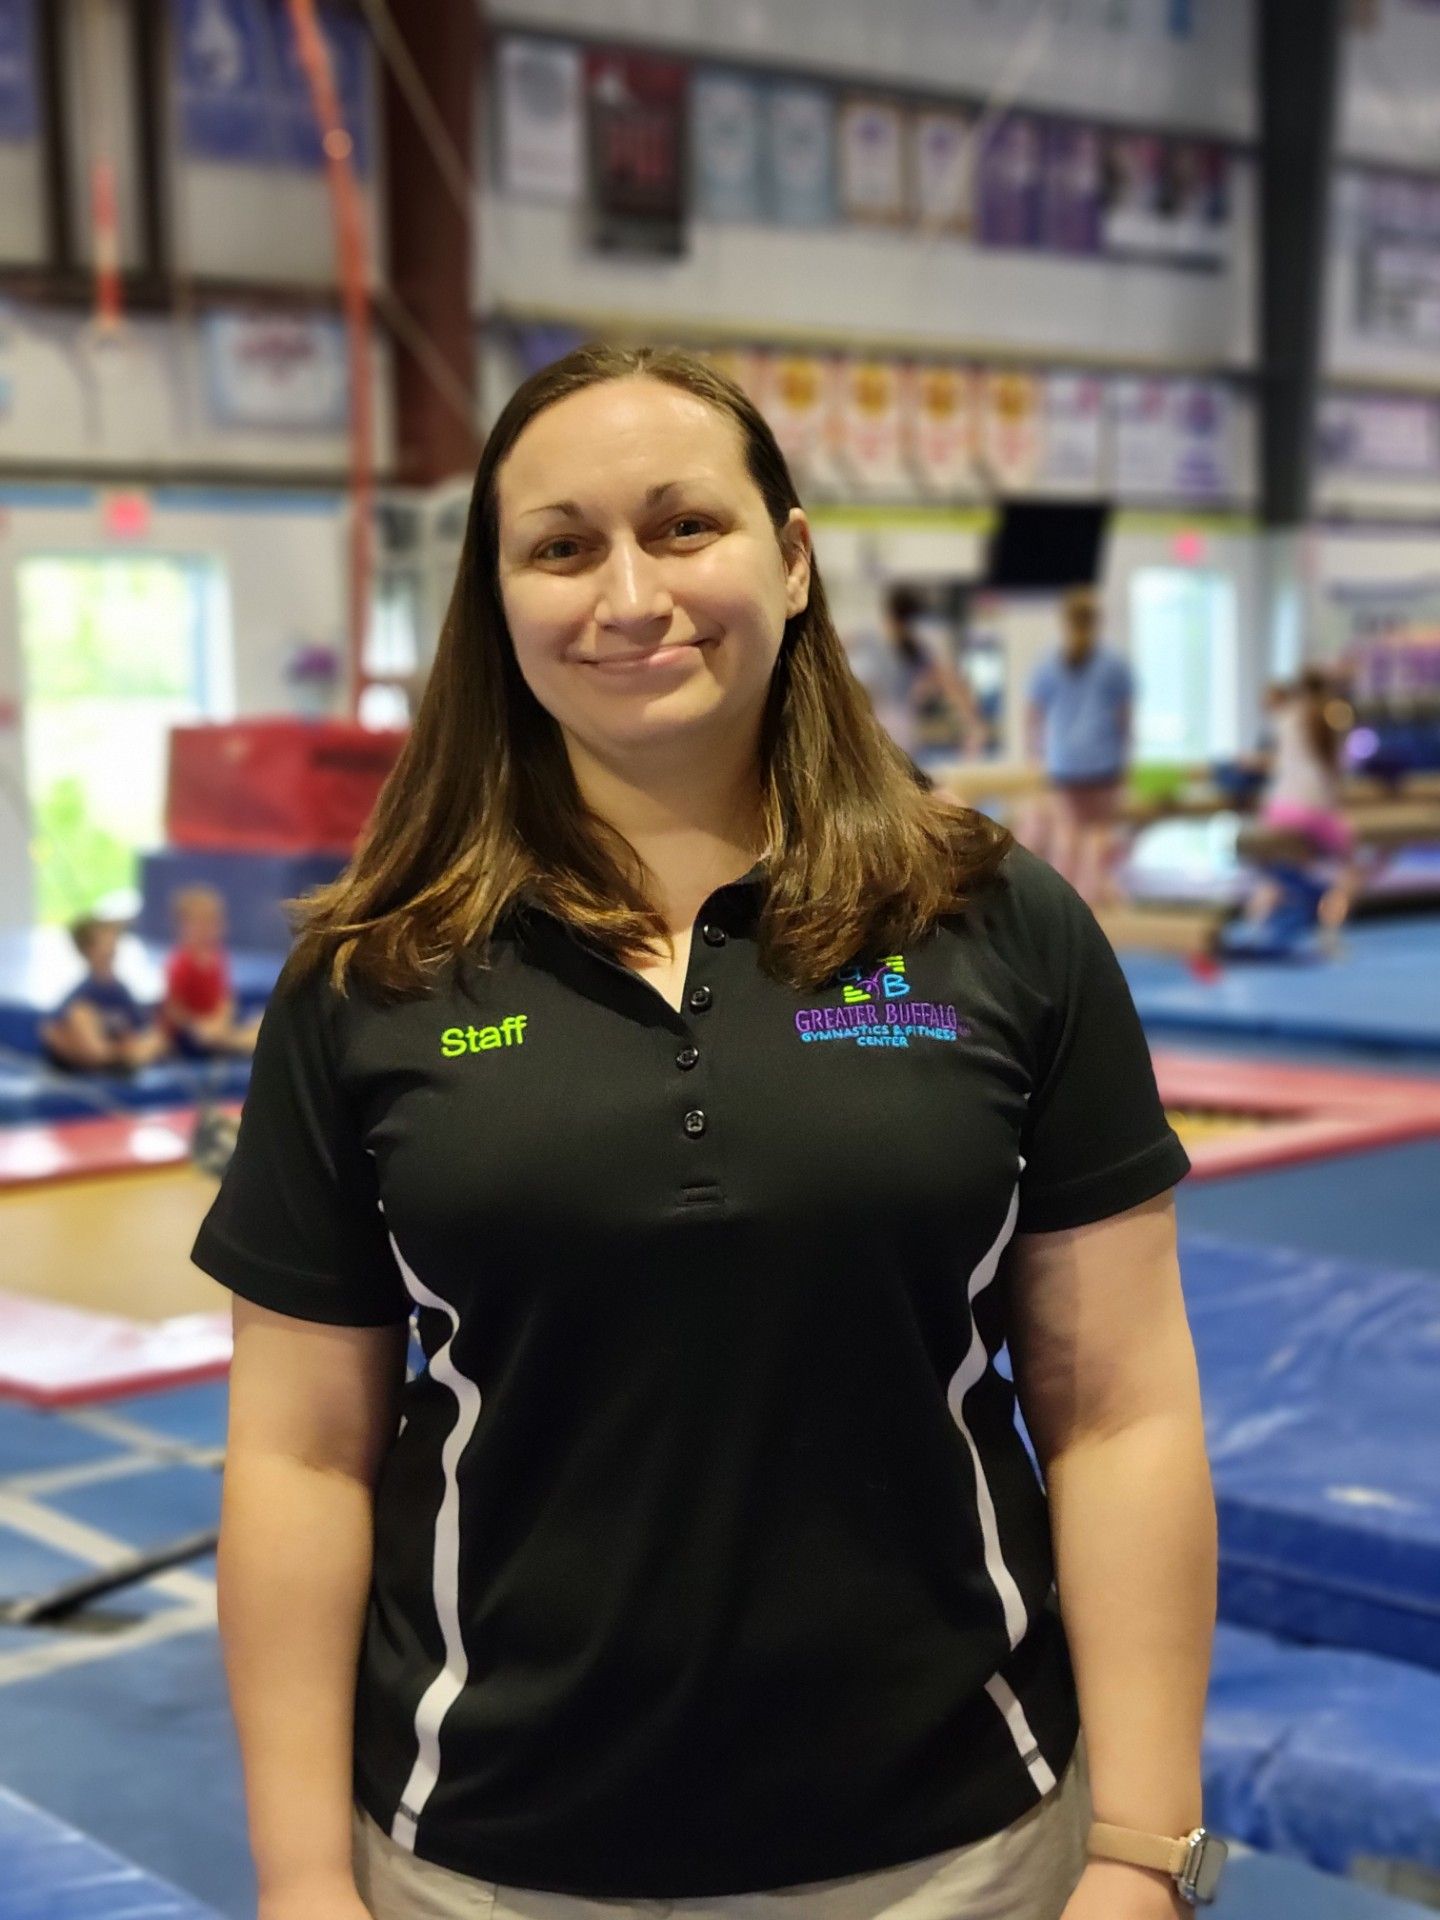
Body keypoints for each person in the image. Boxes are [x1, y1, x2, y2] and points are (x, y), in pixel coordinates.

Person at [193, 344, 1219, 1920]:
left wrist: (1143, 1852)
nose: (630, 596)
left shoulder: (997, 924)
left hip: (956, 1853)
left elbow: (1122, 1414)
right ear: (496, 599)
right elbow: (299, 1458)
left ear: (791, 560)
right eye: (562, 547)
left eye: (685, 527)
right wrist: (299, 1878)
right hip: (480, 1860)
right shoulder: (373, 976)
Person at [1023, 587, 1135, 907]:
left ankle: (1064, 906)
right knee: (1097, 836)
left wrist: (1035, 754)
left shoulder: (1049, 664)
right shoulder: (1113, 664)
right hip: (1102, 762)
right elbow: (1124, 720)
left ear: (1065, 623)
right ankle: (1091, 902)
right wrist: (1125, 757)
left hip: (1065, 763)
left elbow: (1033, 716)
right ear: (1096, 623)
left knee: (1067, 837)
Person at [1241, 670, 1363, 950]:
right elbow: (1337, 772)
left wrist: (1248, 763)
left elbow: (1277, 761)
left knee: (1275, 874)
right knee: (1349, 872)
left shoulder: (1287, 716)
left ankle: (1255, 924)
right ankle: (1330, 928)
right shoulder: (1333, 716)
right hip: (1314, 811)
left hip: (1279, 809)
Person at [864, 584, 989, 762]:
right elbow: (949, 681)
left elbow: (949, 681)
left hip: (899, 734)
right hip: (883, 732)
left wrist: (974, 724)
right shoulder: (872, 643)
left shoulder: (914, 651)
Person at [37, 915, 171, 1073]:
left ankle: (119, 1062)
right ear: (88, 950)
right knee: (80, 1015)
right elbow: (51, 1030)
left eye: (113, 939)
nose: (110, 945)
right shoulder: (83, 992)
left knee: (157, 1039)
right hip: (91, 1057)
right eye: (104, 940)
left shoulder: (120, 991)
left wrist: (132, 1045)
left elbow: (144, 1029)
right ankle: (114, 1062)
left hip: (119, 1052)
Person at [162, 885, 262, 1058]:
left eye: (212, 922)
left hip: (216, 1025)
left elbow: (225, 997)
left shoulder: (218, 957)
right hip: (193, 1031)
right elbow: (174, 1010)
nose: (207, 929)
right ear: (183, 926)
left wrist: (221, 1020)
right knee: (207, 1035)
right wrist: (197, 1025)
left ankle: (235, 1040)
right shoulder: (180, 963)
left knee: (261, 1021)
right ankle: (236, 1042)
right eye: (200, 922)